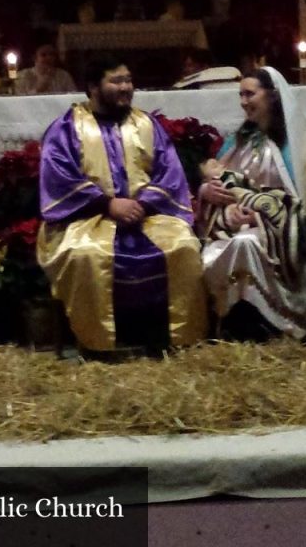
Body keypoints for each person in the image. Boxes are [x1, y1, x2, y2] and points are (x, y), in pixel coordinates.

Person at [36, 55, 207, 353]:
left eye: (128, 80)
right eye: (116, 81)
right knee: (86, 255)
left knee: (184, 248)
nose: (126, 87)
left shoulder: (145, 124)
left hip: (148, 216)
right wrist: (107, 204)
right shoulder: (66, 128)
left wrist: (143, 203)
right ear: (93, 86)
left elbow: (169, 172)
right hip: (87, 219)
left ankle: (178, 341)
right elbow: (57, 176)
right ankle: (98, 346)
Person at [197, 67, 306, 340]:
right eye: (240, 95)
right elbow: (219, 185)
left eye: (250, 94)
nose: (243, 102)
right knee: (233, 243)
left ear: (272, 96)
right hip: (232, 226)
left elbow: (305, 204)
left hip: (279, 235)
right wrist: (210, 194)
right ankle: (232, 321)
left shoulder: (293, 146)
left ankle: (269, 323)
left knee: (245, 244)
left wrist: (259, 214)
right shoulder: (237, 142)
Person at [172, 48, 241, 90]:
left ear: (204, 66)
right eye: (185, 66)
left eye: (190, 65)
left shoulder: (226, 79)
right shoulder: (182, 85)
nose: (185, 69)